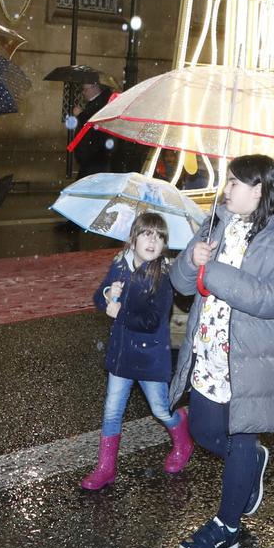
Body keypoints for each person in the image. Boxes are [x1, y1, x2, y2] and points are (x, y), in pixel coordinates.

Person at [168, 154, 274, 548]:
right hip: (208, 350)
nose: (225, 188)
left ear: (260, 190)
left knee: (238, 439)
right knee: (202, 431)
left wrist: (213, 272)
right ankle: (251, 462)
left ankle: (227, 527)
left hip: (250, 359)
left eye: (235, 182)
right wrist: (191, 260)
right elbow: (181, 284)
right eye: (227, 180)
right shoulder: (216, 220)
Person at [78, 210, 195, 490]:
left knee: (161, 409)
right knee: (111, 412)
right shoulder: (120, 263)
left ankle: (183, 439)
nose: (153, 241)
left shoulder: (164, 275)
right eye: (146, 233)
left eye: (159, 236)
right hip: (121, 354)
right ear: (134, 237)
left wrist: (119, 311)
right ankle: (106, 469)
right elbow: (99, 296)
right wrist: (109, 294)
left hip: (149, 356)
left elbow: (152, 321)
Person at [71, 79, 118, 177]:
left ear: (94, 87)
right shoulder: (98, 102)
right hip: (94, 157)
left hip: (94, 157)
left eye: (85, 90)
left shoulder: (100, 103)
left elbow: (93, 124)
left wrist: (80, 115)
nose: (83, 93)